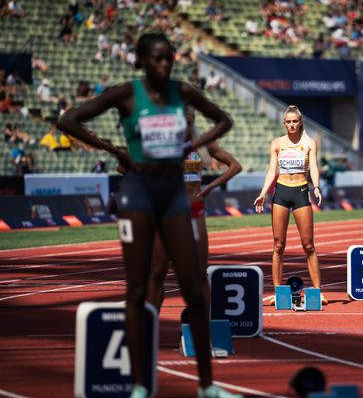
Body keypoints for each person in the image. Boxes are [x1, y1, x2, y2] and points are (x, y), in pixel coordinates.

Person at [56, 33, 238, 398]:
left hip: (173, 196)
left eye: (169, 58)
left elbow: (224, 120)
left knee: (195, 288)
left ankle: (208, 386)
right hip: (138, 194)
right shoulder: (126, 94)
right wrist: (114, 150)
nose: (165, 64)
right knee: (138, 288)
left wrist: (193, 144)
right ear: (141, 60)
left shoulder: (182, 92)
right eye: (157, 59)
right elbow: (68, 119)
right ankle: (140, 385)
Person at [147, 106, 242, 312]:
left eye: (190, 117)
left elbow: (235, 166)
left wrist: (210, 187)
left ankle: (204, 328)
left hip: (194, 209)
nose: (186, 120)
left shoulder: (205, 143)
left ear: (194, 118)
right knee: (157, 272)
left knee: (199, 273)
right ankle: (149, 324)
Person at [254, 105, 326, 305]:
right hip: (281, 192)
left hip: (301, 191)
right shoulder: (277, 143)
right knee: (278, 245)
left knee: (308, 245)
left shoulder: (309, 143)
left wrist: (317, 187)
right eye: (289, 122)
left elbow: (313, 167)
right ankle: (279, 292)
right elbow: (271, 170)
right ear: (284, 123)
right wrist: (262, 193)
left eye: (295, 121)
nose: (292, 125)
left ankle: (318, 291)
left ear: (300, 122)